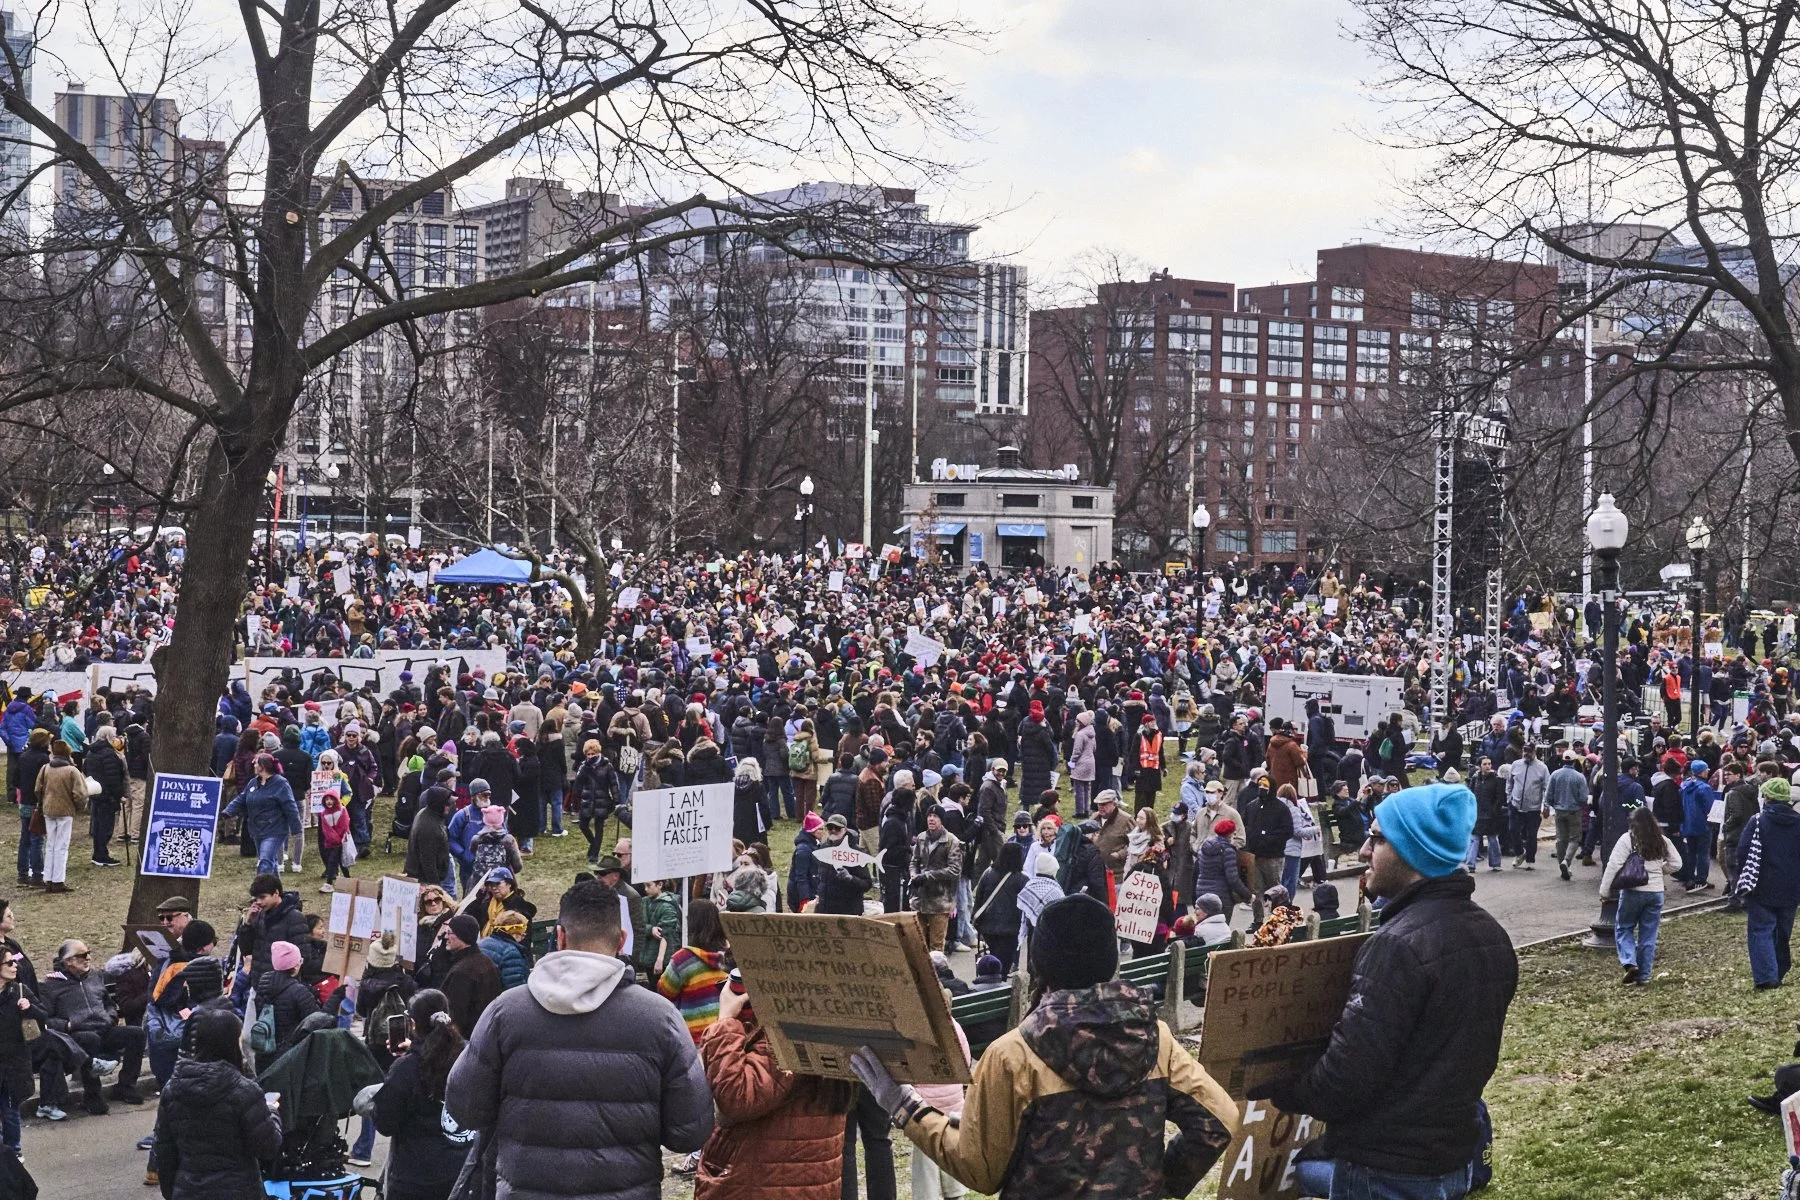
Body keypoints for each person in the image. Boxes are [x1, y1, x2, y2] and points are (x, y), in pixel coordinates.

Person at [851, 892, 1239, 1197]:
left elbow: (980, 1170)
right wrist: (1159, 1181)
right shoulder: (1156, 1037)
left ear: (1041, 964)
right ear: (1110, 960)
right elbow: (1220, 1120)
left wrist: (904, 1106)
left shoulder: (1011, 1055)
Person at [1262, 782, 1517, 1200]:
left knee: (1304, 1169)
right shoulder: (1489, 932)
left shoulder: (1397, 946)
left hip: (1388, 1168)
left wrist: (1282, 1086)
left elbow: (1346, 1080)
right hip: (1451, 1158)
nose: (1364, 850)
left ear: (1413, 850)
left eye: (1377, 838)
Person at [447, 879, 714, 1199]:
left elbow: (464, 1108)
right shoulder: (660, 1018)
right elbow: (690, 1131)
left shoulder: (505, 1013)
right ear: (622, 940)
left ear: (559, 936)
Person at [693, 968, 857, 1200]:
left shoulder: (788, 1032)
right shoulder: (834, 1019)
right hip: (799, 1181)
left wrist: (726, 1021)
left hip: (763, 1182)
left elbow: (737, 1096)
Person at [153, 1008, 283, 1200]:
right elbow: (268, 1147)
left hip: (189, 1191)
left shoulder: (172, 1090)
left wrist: (172, 1193)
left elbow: (164, 1151)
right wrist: (272, 1112)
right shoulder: (245, 1091)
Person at [373, 989, 477, 1200]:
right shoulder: (471, 1058)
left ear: (412, 1024)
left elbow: (385, 1122)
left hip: (416, 1178)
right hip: (462, 1173)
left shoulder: (408, 1068)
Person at [41, 938, 147, 1112]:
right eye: (82, 955)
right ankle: (92, 1095)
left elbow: (109, 1003)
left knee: (136, 1034)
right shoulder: (50, 986)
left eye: (88, 953)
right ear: (68, 961)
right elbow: (46, 1019)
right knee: (90, 1039)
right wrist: (68, 1025)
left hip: (104, 1029)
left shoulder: (94, 977)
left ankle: (126, 1085)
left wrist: (110, 1016)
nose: (88, 958)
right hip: (76, 1036)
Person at [1597, 806, 1684, 986]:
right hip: (1656, 892)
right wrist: (1660, 871)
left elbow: (1613, 865)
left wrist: (1604, 891)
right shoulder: (1662, 840)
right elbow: (1677, 864)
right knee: (1648, 934)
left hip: (1633, 891)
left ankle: (1630, 962)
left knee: (1624, 927)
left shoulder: (1628, 839)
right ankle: (1644, 974)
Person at [1737, 777, 1800, 990]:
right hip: (1791, 887)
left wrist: (1741, 881)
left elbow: (1743, 852)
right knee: (1782, 932)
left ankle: (1766, 976)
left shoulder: (1757, 821)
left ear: (1769, 797)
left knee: (1761, 930)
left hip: (1761, 886)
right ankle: (1780, 968)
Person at [658, 899, 733, 1046]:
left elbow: (665, 991)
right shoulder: (731, 956)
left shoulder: (684, 959)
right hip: (725, 1035)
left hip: (692, 1038)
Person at [222, 752, 302, 878]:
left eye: (256, 763)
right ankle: (276, 893)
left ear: (263, 766)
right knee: (271, 862)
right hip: (257, 830)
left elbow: (290, 806)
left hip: (275, 831)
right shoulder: (253, 783)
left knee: (264, 862)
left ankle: (260, 893)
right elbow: (242, 799)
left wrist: (296, 829)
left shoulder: (281, 784)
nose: (253, 765)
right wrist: (227, 812)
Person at [253, 939, 321, 1059]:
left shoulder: (263, 984)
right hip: (290, 1058)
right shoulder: (299, 991)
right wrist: (335, 999)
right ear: (295, 966)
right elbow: (317, 1022)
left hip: (264, 1053)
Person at [438, 914, 503, 1038]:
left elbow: (455, 1016)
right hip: (487, 1035)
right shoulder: (486, 962)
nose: (446, 936)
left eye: (450, 932)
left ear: (462, 935)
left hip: (467, 1040)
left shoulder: (462, 972)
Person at [910, 807, 964, 953]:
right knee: (918, 944)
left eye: (935, 816)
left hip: (940, 901)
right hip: (919, 900)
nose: (931, 819)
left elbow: (955, 870)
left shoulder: (951, 841)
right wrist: (914, 875)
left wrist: (928, 876)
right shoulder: (921, 838)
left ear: (941, 819)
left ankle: (938, 974)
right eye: (929, 816)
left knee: (936, 946)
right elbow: (914, 861)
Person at [35, 740, 86, 894]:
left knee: (50, 845)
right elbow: (80, 794)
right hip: (65, 811)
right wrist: (79, 807)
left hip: (48, 809)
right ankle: (58, 880)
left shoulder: (45, 768)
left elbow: (38, 789)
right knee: (62, 846)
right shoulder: (72, 771)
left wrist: (43, 802)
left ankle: (48, 879)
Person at [970, 842, 1026, 975]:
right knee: (1004, 963)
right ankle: (998, 986)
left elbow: (979, 899)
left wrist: (977, 920)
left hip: (988, 926)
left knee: (994, 955)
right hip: (1010, 928)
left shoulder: (988, 873)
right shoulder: (1022, 879)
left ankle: (989, 983)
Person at [1195, 818, 1251, 925]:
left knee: (1203, 927)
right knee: (1220, 930)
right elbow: (1233, 879)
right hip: (1221, 896)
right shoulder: (1227, 850)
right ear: (1230, 834)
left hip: (1202, 891)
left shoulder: (1204, 846)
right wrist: (1247, 894)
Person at [1545, 751, 1589, 881]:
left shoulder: (1555, 775)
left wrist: (1553, 805)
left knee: (1561, 839)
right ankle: (1567, 861)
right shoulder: (1579, 777)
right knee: (1574, 838)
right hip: (1574, 811)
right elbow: (1583, 797)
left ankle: (1562, 864)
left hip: (1559, 810)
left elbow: (1549, 795)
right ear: (1575, 761)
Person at [1505, 744, 1549, 870]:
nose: (1526, 754)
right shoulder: (1516, 765)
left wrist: (1545, 805)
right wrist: (1509, 798)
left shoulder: (1542, 768)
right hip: (1515, 804)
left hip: (1533, 808)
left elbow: (1547, 787)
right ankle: (1519, 853)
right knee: (1513, 829)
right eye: (1525, 751)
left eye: (1529, 751)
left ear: (1534, 752)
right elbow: (1510, 782)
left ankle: (1530, 858)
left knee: (1531, 835)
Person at [1679, 761, 1720, 893]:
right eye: (1706, 770)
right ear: (1702, 771)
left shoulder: (1685, 786)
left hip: (1688, 823)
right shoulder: (1705, 788)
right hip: (1703, 824)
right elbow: (1710, 808)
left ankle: (1690, 877)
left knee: (1690, 852)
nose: (1708, 771)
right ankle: (1701, 879)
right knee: (1703, 853)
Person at [479, 911, 532, 990]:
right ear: (515, 930)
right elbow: (515, 987)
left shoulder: (482, 943)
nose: (523, 936)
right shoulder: (510, 952)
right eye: (523, 932)